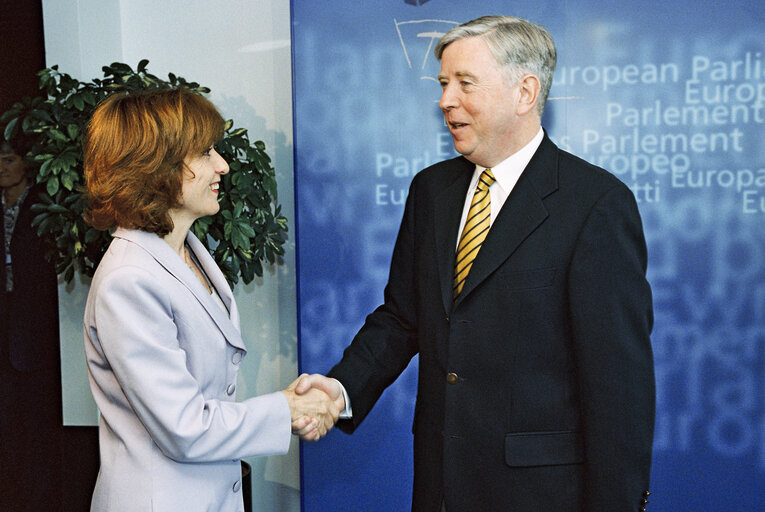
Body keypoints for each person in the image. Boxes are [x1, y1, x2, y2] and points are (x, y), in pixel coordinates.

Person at [296, 15, 655, 512]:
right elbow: (404, 317)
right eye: (444, 83)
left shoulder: (595, 205)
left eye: (465, 83)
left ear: (525, 92)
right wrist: (339, 389)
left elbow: (618, 388)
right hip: (441, 487)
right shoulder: (431, 191)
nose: (445, 100)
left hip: (541, 496)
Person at [82, 88, 337, 511]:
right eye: (204, 153)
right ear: (154, 166)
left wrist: (287, 405)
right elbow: (184, 427)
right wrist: (285, 410)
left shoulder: (188, 252)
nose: (222, 165)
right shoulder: (128, 280)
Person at [0, 133, 65, 510]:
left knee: (36, 426)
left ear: (26, 164)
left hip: (35, 334)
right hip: (4, 330)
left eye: (9, 160)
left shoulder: (42, 207)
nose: (3, 169)